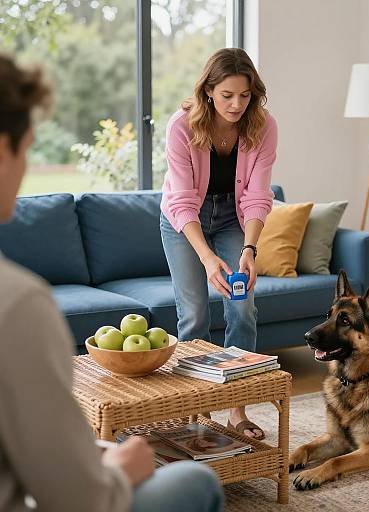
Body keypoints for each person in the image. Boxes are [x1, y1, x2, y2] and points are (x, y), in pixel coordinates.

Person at [0, 54, 224, 512]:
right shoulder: (17, 303)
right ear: (4, 150)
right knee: (196, 481)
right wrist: (123, 466)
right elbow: (76, 498)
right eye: (27, 149)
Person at [160, 48, 278, 441]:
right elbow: (180, 201)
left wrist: (249, 250)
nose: (236, 104)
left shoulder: (263, 126)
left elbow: (259, 195)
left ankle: (236, 411)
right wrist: (207, 258)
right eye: (227, 95)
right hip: (183, 221)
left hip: (233, 219)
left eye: (244, 96)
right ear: (208, 91)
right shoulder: (182, 125)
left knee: (243, 308)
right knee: (193, 316)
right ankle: (193, 411)